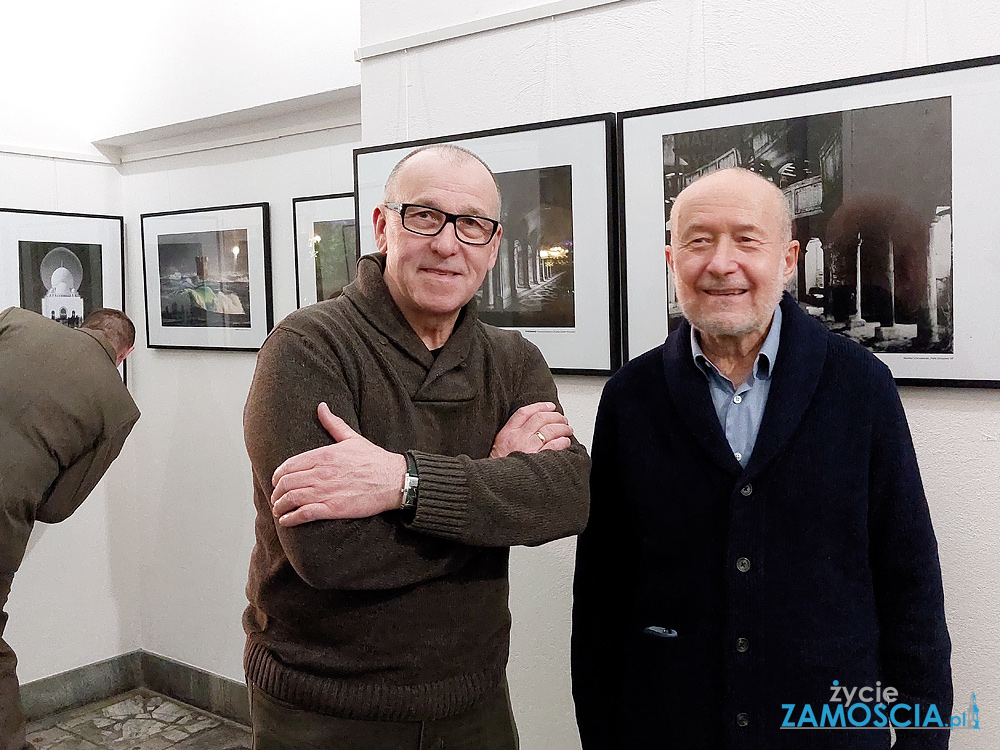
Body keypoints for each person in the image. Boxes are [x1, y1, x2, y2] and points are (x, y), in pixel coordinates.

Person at [571, 168, 951, 749]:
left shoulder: (860, 387)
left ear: (789, 258)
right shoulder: (630, 398)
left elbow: (910, 583)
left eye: (747, 240)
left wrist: (924, 739)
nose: (722, 264)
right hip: (670, 727)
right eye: (699, 241)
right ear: (673, 258)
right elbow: (602, 592)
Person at [243, 144, 590, 750]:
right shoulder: (306, 348)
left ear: (494, 245)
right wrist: (493, 486)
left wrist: (401, 483)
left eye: (471, 224)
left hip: (473, 700)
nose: (447, 244)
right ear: (383, 226)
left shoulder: (512, 361)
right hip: (324, 708)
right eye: (423, 215)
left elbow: (567, 498)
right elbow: (330, 552)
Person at [0, 307, 139, 750]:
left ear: (84, 325)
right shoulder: (119, 407)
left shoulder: (16, 321)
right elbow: (57, 507)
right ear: (124, 354)